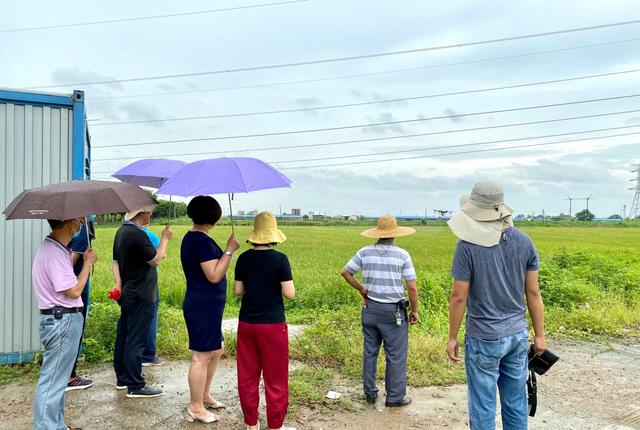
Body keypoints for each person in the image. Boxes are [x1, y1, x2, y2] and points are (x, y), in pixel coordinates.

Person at [446, 182, 547, 430]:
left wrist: (452, 337)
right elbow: (533, 292)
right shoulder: (524, 241)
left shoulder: (466, 247)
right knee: (516, 400)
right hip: (517, 334)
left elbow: (458, 297)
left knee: (483, 403)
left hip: (483, 337)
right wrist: (540, 335)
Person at [340, 215, 419, 407]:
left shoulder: (364, 252)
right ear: (395, 234)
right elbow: (411, 287)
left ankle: (370, 393)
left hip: (370, 309)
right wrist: (414, 310)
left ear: (378, 233)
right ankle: (395, 397)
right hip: (394, 312)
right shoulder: (402, 255)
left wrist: (361, 289)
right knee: (395, 355)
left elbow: (346, 272)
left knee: (370, 352)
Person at [32, 218, 98, 430]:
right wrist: (87, 264)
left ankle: (56, 425)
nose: (80, 225)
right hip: (63, 321)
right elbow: (74, 291)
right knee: (52, 383)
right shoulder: (54, 253)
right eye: (78, 221)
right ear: (69, 223)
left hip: (61, 319)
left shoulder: (55, 249)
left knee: (57, 381)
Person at [234, 211, 296, 430]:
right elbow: (290, 293)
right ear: (273, 235)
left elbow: (237, 291)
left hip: (247, 324)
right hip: (272, 326)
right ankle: (275, 426)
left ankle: (251, 424)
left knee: (247, 376)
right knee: (275, 377)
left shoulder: (243, 258)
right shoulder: (280, 259)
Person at [180, 196, 239, 424]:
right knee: (201, 356)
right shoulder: (200, 241)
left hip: (208, 305)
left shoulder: (197, 237)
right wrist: (229, 251)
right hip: (201, 305)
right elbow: (214, 275)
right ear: (214, 216)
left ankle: (204, 395)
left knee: (216, 350)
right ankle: (195, 407)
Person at [112, 206, 173, 398]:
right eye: (149, 212)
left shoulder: (121, 231)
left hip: (128, 292)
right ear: (140, 213)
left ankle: (123, 378)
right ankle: (136, 385)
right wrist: (165, 239)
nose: (151, 215)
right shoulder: (137, 234)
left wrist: (119, 284)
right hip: (141, 294)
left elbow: (115, 262)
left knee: (124, 336)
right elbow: (155, 260)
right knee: (136, 340)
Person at [66, 217, 96, 391]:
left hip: (75, 287)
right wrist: (88, 262)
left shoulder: (79, 228)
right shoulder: (81, 230)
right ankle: (69, 376)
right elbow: (70, 262)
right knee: (75, 331)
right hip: (77, 288)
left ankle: (66, 374)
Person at [140, 224, 164, 367]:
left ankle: (137, 355)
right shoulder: (150, 236)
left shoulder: (123, 232)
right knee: (151, 315)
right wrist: (165, 238)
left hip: (131, 282)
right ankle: (148, 355)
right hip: (149, 282)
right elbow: (159, 257)